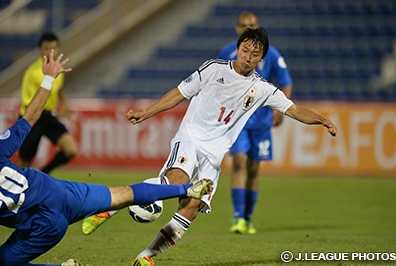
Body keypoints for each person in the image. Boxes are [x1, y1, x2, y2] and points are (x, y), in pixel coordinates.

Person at [83, 27, 336, 266]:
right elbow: (180, 92)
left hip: (213, 156)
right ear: (238, 49)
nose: (248, 57)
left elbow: (294, 110)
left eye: (255, 54)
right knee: (173, 182)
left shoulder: (262, 89)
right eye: (245, 50)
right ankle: (109, 209)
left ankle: (147, 256)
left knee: (191, 208)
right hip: (190, 139)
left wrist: (322, 119)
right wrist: (146, 113)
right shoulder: (214, 69)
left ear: (262, 59)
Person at [0, 49, 213, 266]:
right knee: (124, 194)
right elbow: (31, 116)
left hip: (44, 226)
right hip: (60, 192)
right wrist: (48, 78)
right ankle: (186, 189)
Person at [218, 11, 293, 234]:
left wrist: (282, 107)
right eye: (244, 26)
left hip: (260, 122)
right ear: (237, 29)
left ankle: (248, 218)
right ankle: (238, 218)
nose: (248, 30)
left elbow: (286, 82)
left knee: (253, 168)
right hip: (238, 121)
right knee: (239, 162)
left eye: (252, 26)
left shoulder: (270, 54)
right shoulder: (227, 52)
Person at [18, 31, 77, 174]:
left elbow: (59, 90)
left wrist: (65, 107)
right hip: (32, 118)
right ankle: (14, 190)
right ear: (39, 50)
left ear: (59, 49)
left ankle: (44, 175)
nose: (51, 52)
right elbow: (28, 103)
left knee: (71, 149)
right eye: (46, 48)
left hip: (49, 117)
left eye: (54, 48)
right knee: (25, 163)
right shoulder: (32, 72)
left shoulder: (58, 69)